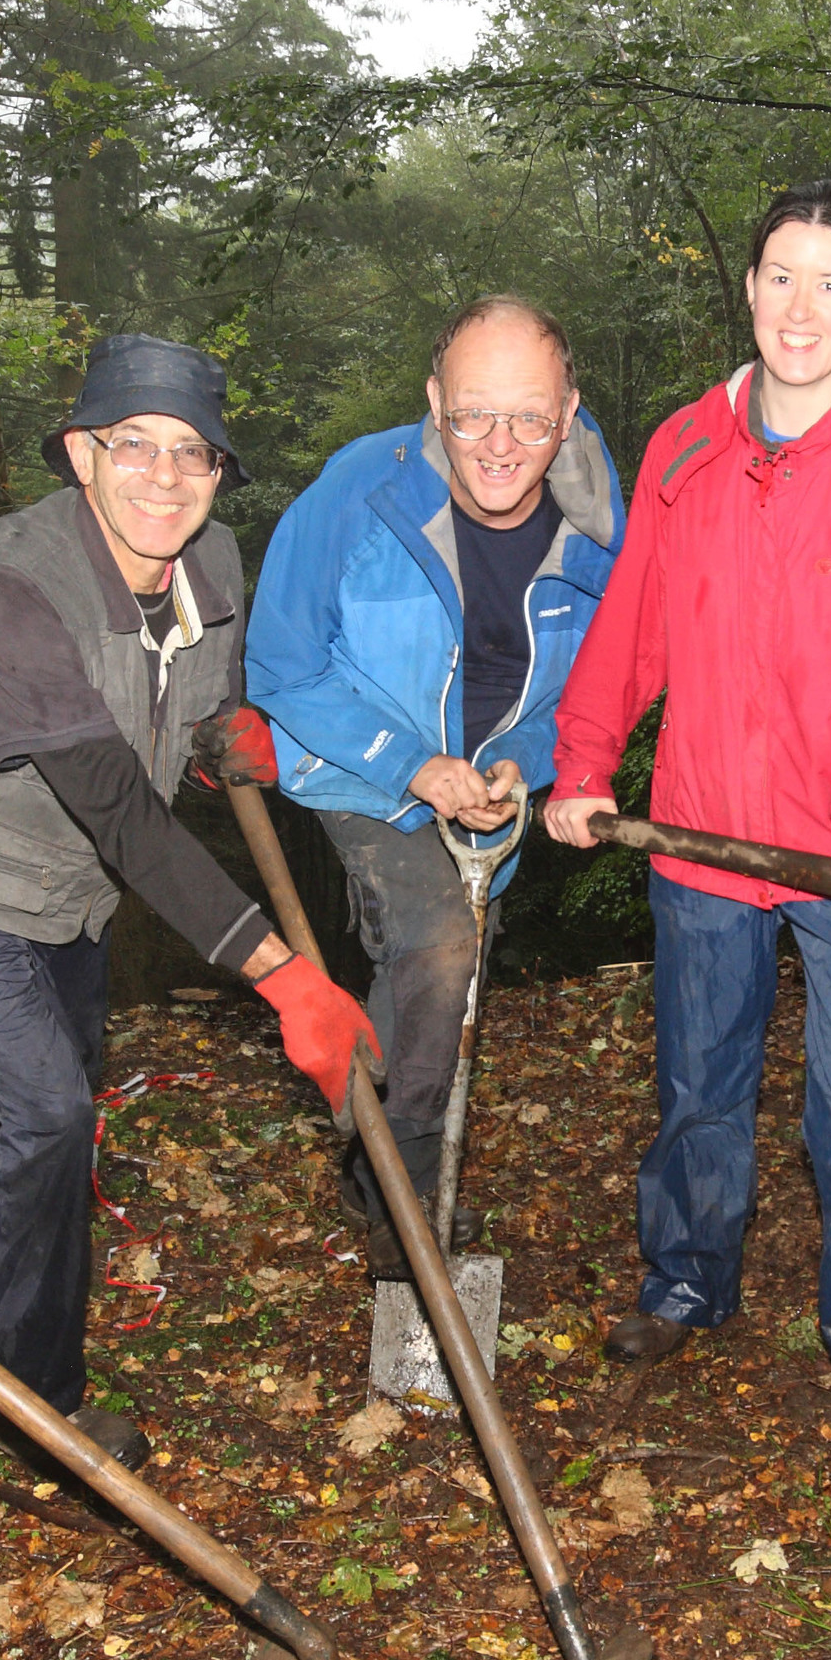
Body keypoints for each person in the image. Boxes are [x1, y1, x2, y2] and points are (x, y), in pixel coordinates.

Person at [0, 334, 374, 1474]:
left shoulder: (213, 569)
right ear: (80, 455)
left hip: (72, 886)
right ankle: (30, 1408)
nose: (163, 476)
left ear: (218, 474)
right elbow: (116, 807)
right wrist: (283, 976)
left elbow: (175, 705)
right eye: (132, 446)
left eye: (190, 454)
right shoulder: (10, 593)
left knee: (44, 1087)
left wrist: (225, 733)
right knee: (51, 1114)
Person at [547, 180, 831, 1483]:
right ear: (748, 287)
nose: (801, 306)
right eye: (781, 275)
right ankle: (686, 1283)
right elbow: (632, 626)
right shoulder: (686, 447)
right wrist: (582, 760)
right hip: (700, 840)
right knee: (701, 1088)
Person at [245, 298, 622, 1272]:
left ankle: (375, 1151)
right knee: (443, 945)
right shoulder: (361, 487)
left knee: (430, 973)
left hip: (483, 790)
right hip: (355, 767)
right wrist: (411, 763)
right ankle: (402, 1211)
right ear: (433, 403)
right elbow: (282, 662)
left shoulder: (598, 514)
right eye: (473, 415)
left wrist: (522, 761)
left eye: (532, 418)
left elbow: (600, 668)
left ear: (571, 412)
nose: (501, 445)